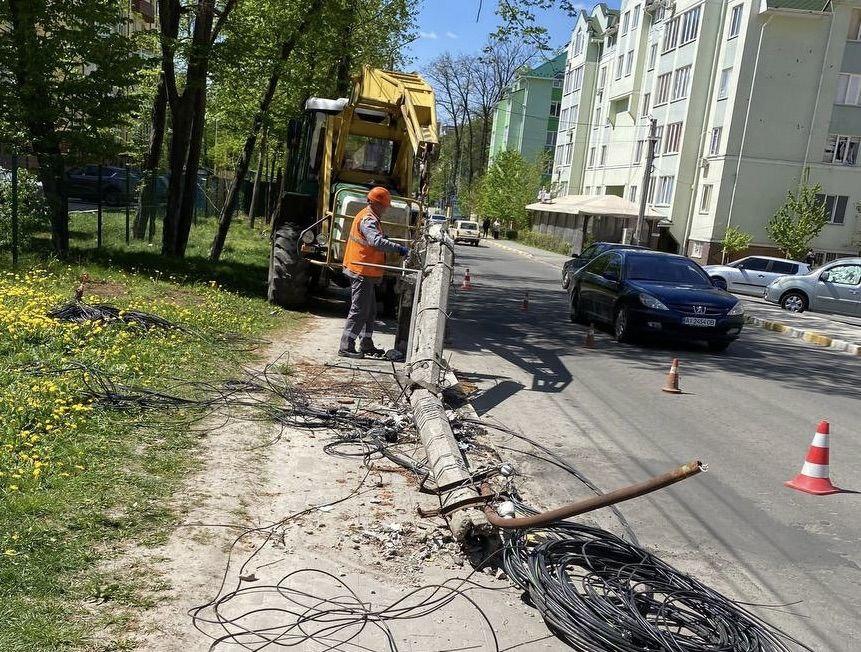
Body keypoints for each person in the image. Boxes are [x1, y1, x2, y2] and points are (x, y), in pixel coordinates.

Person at [339, 186, 410, 359]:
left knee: (369, 311)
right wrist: (399, 249)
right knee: (359, 310)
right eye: (385, 205)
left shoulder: (370, 216)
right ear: (378, 204)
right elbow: (375, 241)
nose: (386, 209)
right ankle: (346, 346)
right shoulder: (368, 219)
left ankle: (366, 344)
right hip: (361, 269)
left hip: (364, 270)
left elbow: (376, 239)